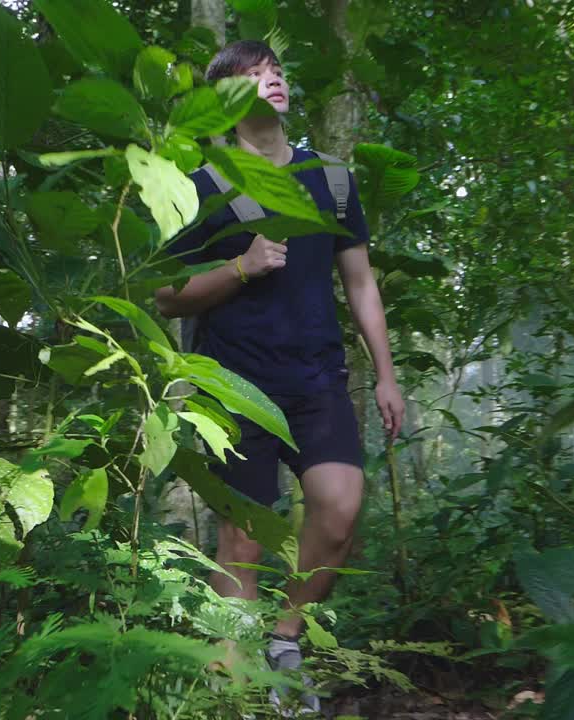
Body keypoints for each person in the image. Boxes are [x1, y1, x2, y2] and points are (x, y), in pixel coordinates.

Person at [154, 40, 405, 712]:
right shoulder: (203, 185)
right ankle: (237, 689)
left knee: (340, 508)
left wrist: (386, 375)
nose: (272, 80)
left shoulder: (332, 179)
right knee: (242, 537)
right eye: (252, 75)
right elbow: (168, 296)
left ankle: (284, 639)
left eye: (276, 71)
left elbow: (361, 284)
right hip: (235, 383)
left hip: (317, 377)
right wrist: (243, 266)